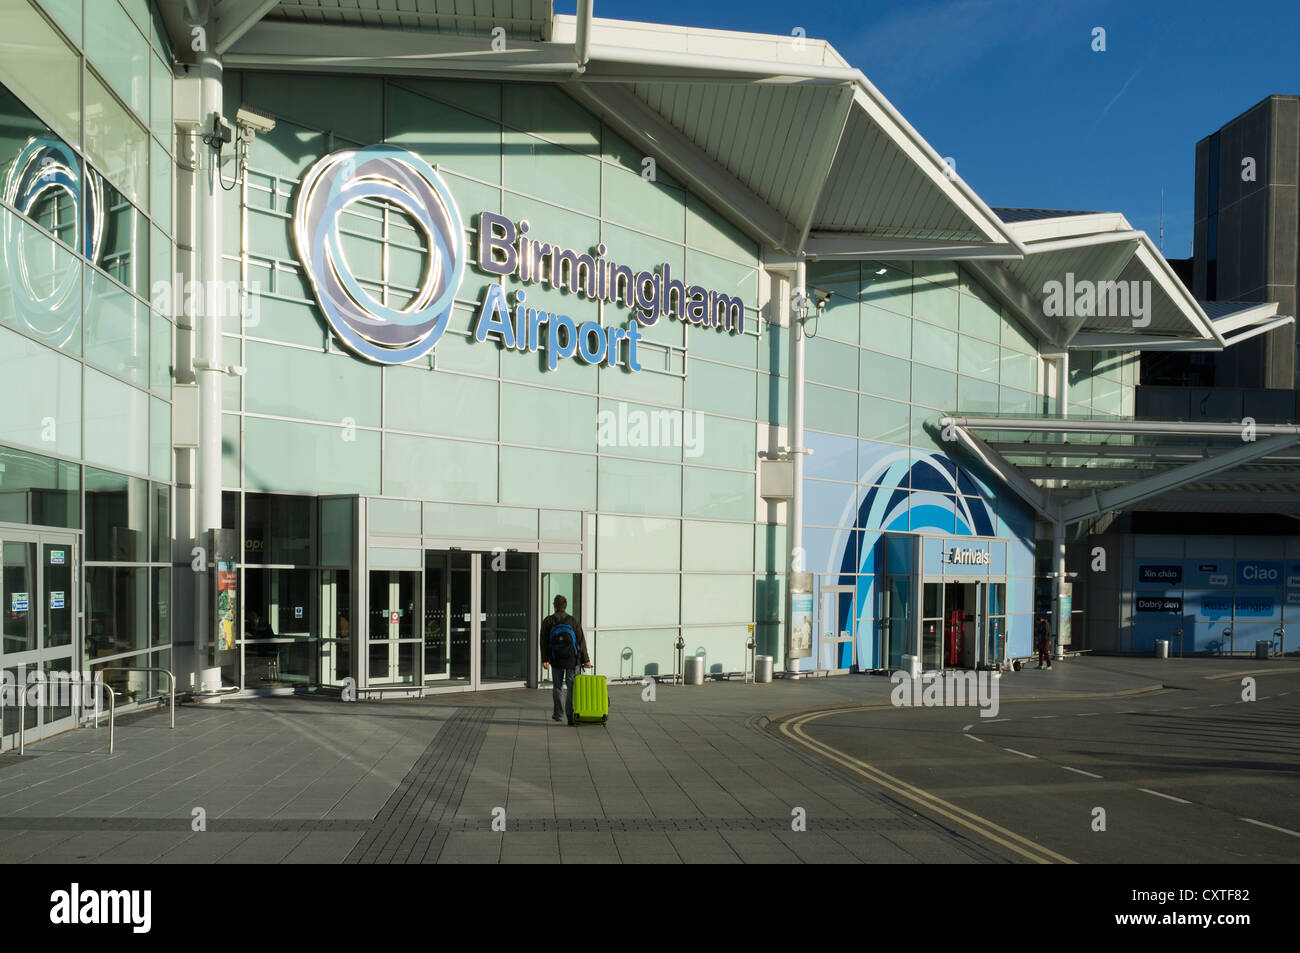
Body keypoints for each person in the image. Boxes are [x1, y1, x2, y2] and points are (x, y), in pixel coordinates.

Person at [540, 595, 590, 725]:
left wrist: (544, 659)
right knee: (571, 688)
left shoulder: (548, 621)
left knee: (557, 687)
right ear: (565, 606)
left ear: (554, 606)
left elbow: (543, 642)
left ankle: (558, 714)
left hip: (556, 660)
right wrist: (586, 660)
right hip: (572, 661)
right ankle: (570, 715)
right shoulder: (573, 621)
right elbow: (581, 641)